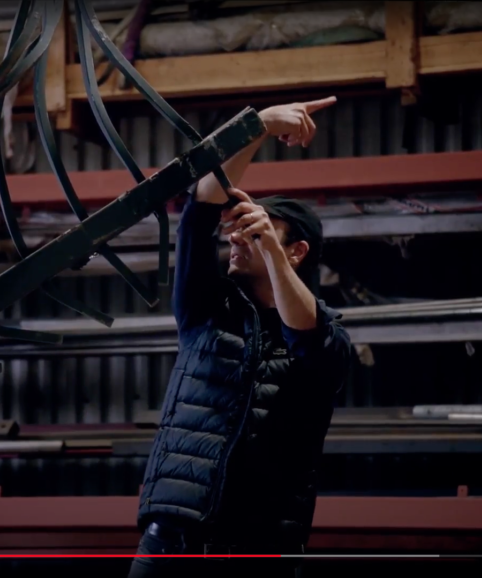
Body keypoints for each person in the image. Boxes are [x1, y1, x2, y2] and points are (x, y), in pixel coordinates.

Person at [128, 97, 352, 578]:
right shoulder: (207, 308)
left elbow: (307, 339)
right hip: (170, 544)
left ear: (296, 252)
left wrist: (267, 244)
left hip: (259, 553)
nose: (236, 237)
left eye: (256, 231)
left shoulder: (328, 335)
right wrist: (260, 124)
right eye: (242, 229)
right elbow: (203, 200)